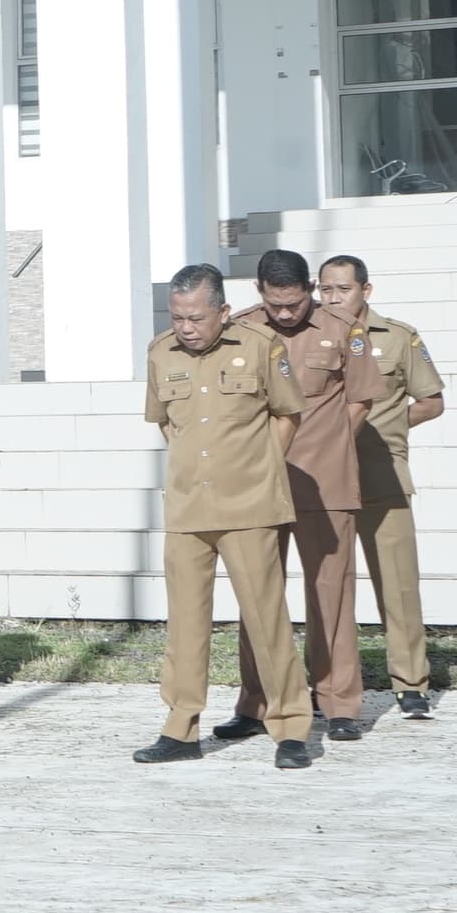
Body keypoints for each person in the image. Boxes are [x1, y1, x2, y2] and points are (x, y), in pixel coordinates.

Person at [136, 264, 318, 769]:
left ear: (222, 311)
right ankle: (181, 727)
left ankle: (290, 727)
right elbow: (167, 426)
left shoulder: (261, 346)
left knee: (266, 619)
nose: (186, 327)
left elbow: (288, 415)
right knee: (186, 624)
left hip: (250, 506)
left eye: (196, 317)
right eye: (177, 318)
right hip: (189, 509)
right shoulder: (159, 352)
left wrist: (258, 468)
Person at [229, 251, 369, 744]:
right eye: (276, 304)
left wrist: (329, 444)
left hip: (325, 478)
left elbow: (360, 399)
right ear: (258, 290)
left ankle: (338, 702)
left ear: (310, 287)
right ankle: (256, 701)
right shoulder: (243, 329)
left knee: (330, 592)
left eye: (295, 303)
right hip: (258, 481)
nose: (286, 314)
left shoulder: (342, 327)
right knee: (258, 594)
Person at [321, 255, 446, 719]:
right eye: (326, 289)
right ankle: (330, 684)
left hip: (382, 474)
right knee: (329, 588)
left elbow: (432, 402)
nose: (333, 298)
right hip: (325, 480)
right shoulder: (311, 338)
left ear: (365, 291)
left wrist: (391, 423)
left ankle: (411, 682)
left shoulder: (397, 337)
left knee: (398, 584)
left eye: (342, 289)